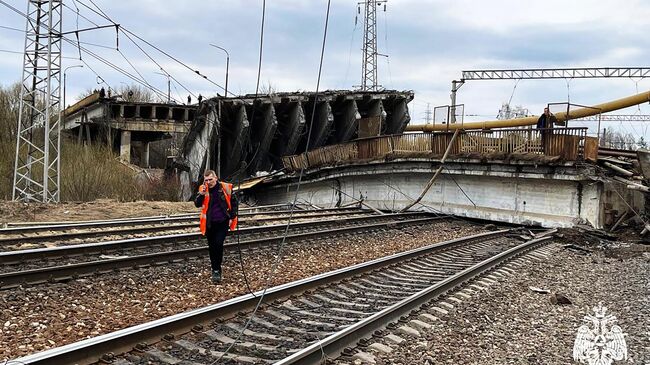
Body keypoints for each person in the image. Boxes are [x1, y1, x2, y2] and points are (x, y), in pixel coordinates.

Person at [194, 170, 238, 284]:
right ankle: (215, 269)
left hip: (222, 222)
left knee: (218, 244)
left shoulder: (225, 188)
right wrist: (201, 195)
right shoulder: (203, 190)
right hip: (209, 224)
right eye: (206, 180)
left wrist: (232, 217)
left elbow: (234, 203)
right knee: (212, 247)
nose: (208, 182)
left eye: (210, 179)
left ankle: (217, 270)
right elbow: (197, 204)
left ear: (216, 178)